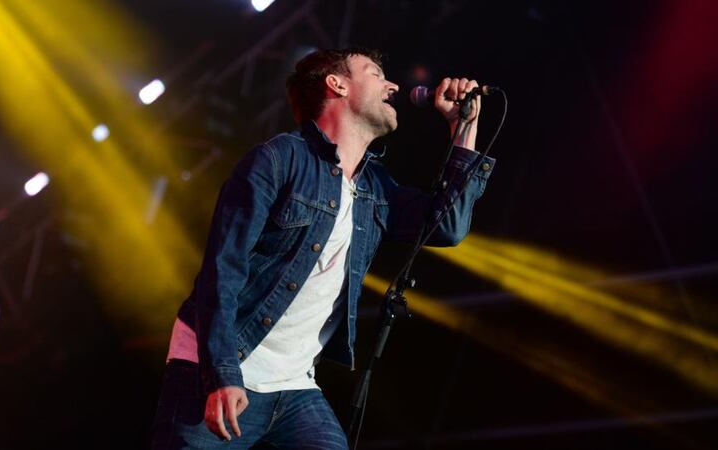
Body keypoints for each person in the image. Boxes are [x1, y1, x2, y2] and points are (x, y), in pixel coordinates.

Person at [151, 48, 495, 449]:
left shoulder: (375, 189)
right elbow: (221, 272)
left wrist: (463, 128)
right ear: (337, 84)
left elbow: (447, 227)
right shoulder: (278, 160)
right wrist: (222, 375)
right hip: (216, 367)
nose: (394, 85)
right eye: (376, 73)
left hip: (294, 386)